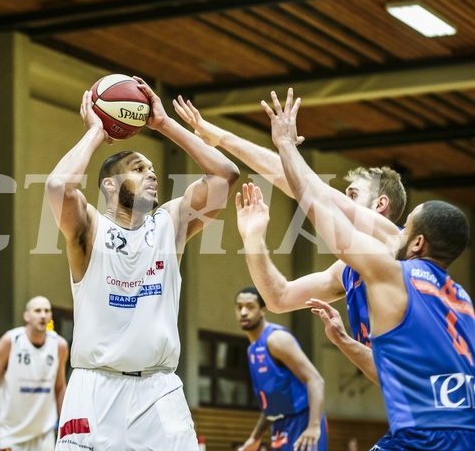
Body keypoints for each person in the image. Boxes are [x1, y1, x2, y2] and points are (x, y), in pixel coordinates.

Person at [238, 88, 475, 448]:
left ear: (416, 243)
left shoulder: (395, 272)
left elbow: (318, 205)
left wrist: (285, 144)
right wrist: (346, 342)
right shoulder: (461, 302)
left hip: (422, 436)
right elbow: (390, 373)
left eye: (406, 225)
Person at [46, 77, 239, 451]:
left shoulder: (171, 224)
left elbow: (225, 176)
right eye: (138, 168)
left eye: (152, 168)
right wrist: (97, 133)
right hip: (94, 388)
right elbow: (58, 187)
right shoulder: (88, 228)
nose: (152, 173)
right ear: (109, 187)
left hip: (159, 388)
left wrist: (164, 123)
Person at [174, 97, 406, 383]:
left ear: (381, 204)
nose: (343, 201)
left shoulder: (398, 244)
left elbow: (309, 191)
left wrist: (223, 138)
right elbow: (278, 298)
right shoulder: (346, 271)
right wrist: (253, 240)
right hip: (404, 396)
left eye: (353, 195)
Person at [235, 287, 327, 451]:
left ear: (263, 310)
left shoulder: (277, 339)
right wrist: (255, 438)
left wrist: (313, 426)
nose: (243, 312)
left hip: (303, 419)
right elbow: (271, 402)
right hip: (279, 424)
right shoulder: (252, 350)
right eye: (239, 306)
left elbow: (316, 380)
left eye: (250, 306)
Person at [0, 296, 69, 451]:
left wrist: (66, 425)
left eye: (46, 311)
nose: (42, 315)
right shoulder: (10, 341)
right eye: (37, 310)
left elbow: (60, 387)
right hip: (9, 433)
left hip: (43, 434)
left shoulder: (60, 346)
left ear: (51, 316)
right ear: (27, 316)